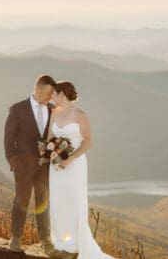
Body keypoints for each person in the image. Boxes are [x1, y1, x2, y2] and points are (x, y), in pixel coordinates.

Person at [47, 81, 115, 259]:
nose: (51, 97)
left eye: (54, 94)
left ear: (62, 94)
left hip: (75, 165)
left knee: (73, 202)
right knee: (58, 201)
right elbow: (50, 137)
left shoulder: (80, 115)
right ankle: (62, 243)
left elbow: (88, 142)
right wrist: (53, 153)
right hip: (56, 167)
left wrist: (70, 159)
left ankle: (74, 247)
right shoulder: (54, 112)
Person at [4, 74, 57, 255]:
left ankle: (45, 240)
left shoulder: (52, 110)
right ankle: (16, 237)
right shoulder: (17, 109)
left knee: (44, 201)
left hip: (45, 166)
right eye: (48, 93)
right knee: (21, 200)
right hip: (23, 165)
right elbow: (8, 138)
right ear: (38, 89)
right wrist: (13, 160)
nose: (50, 97)